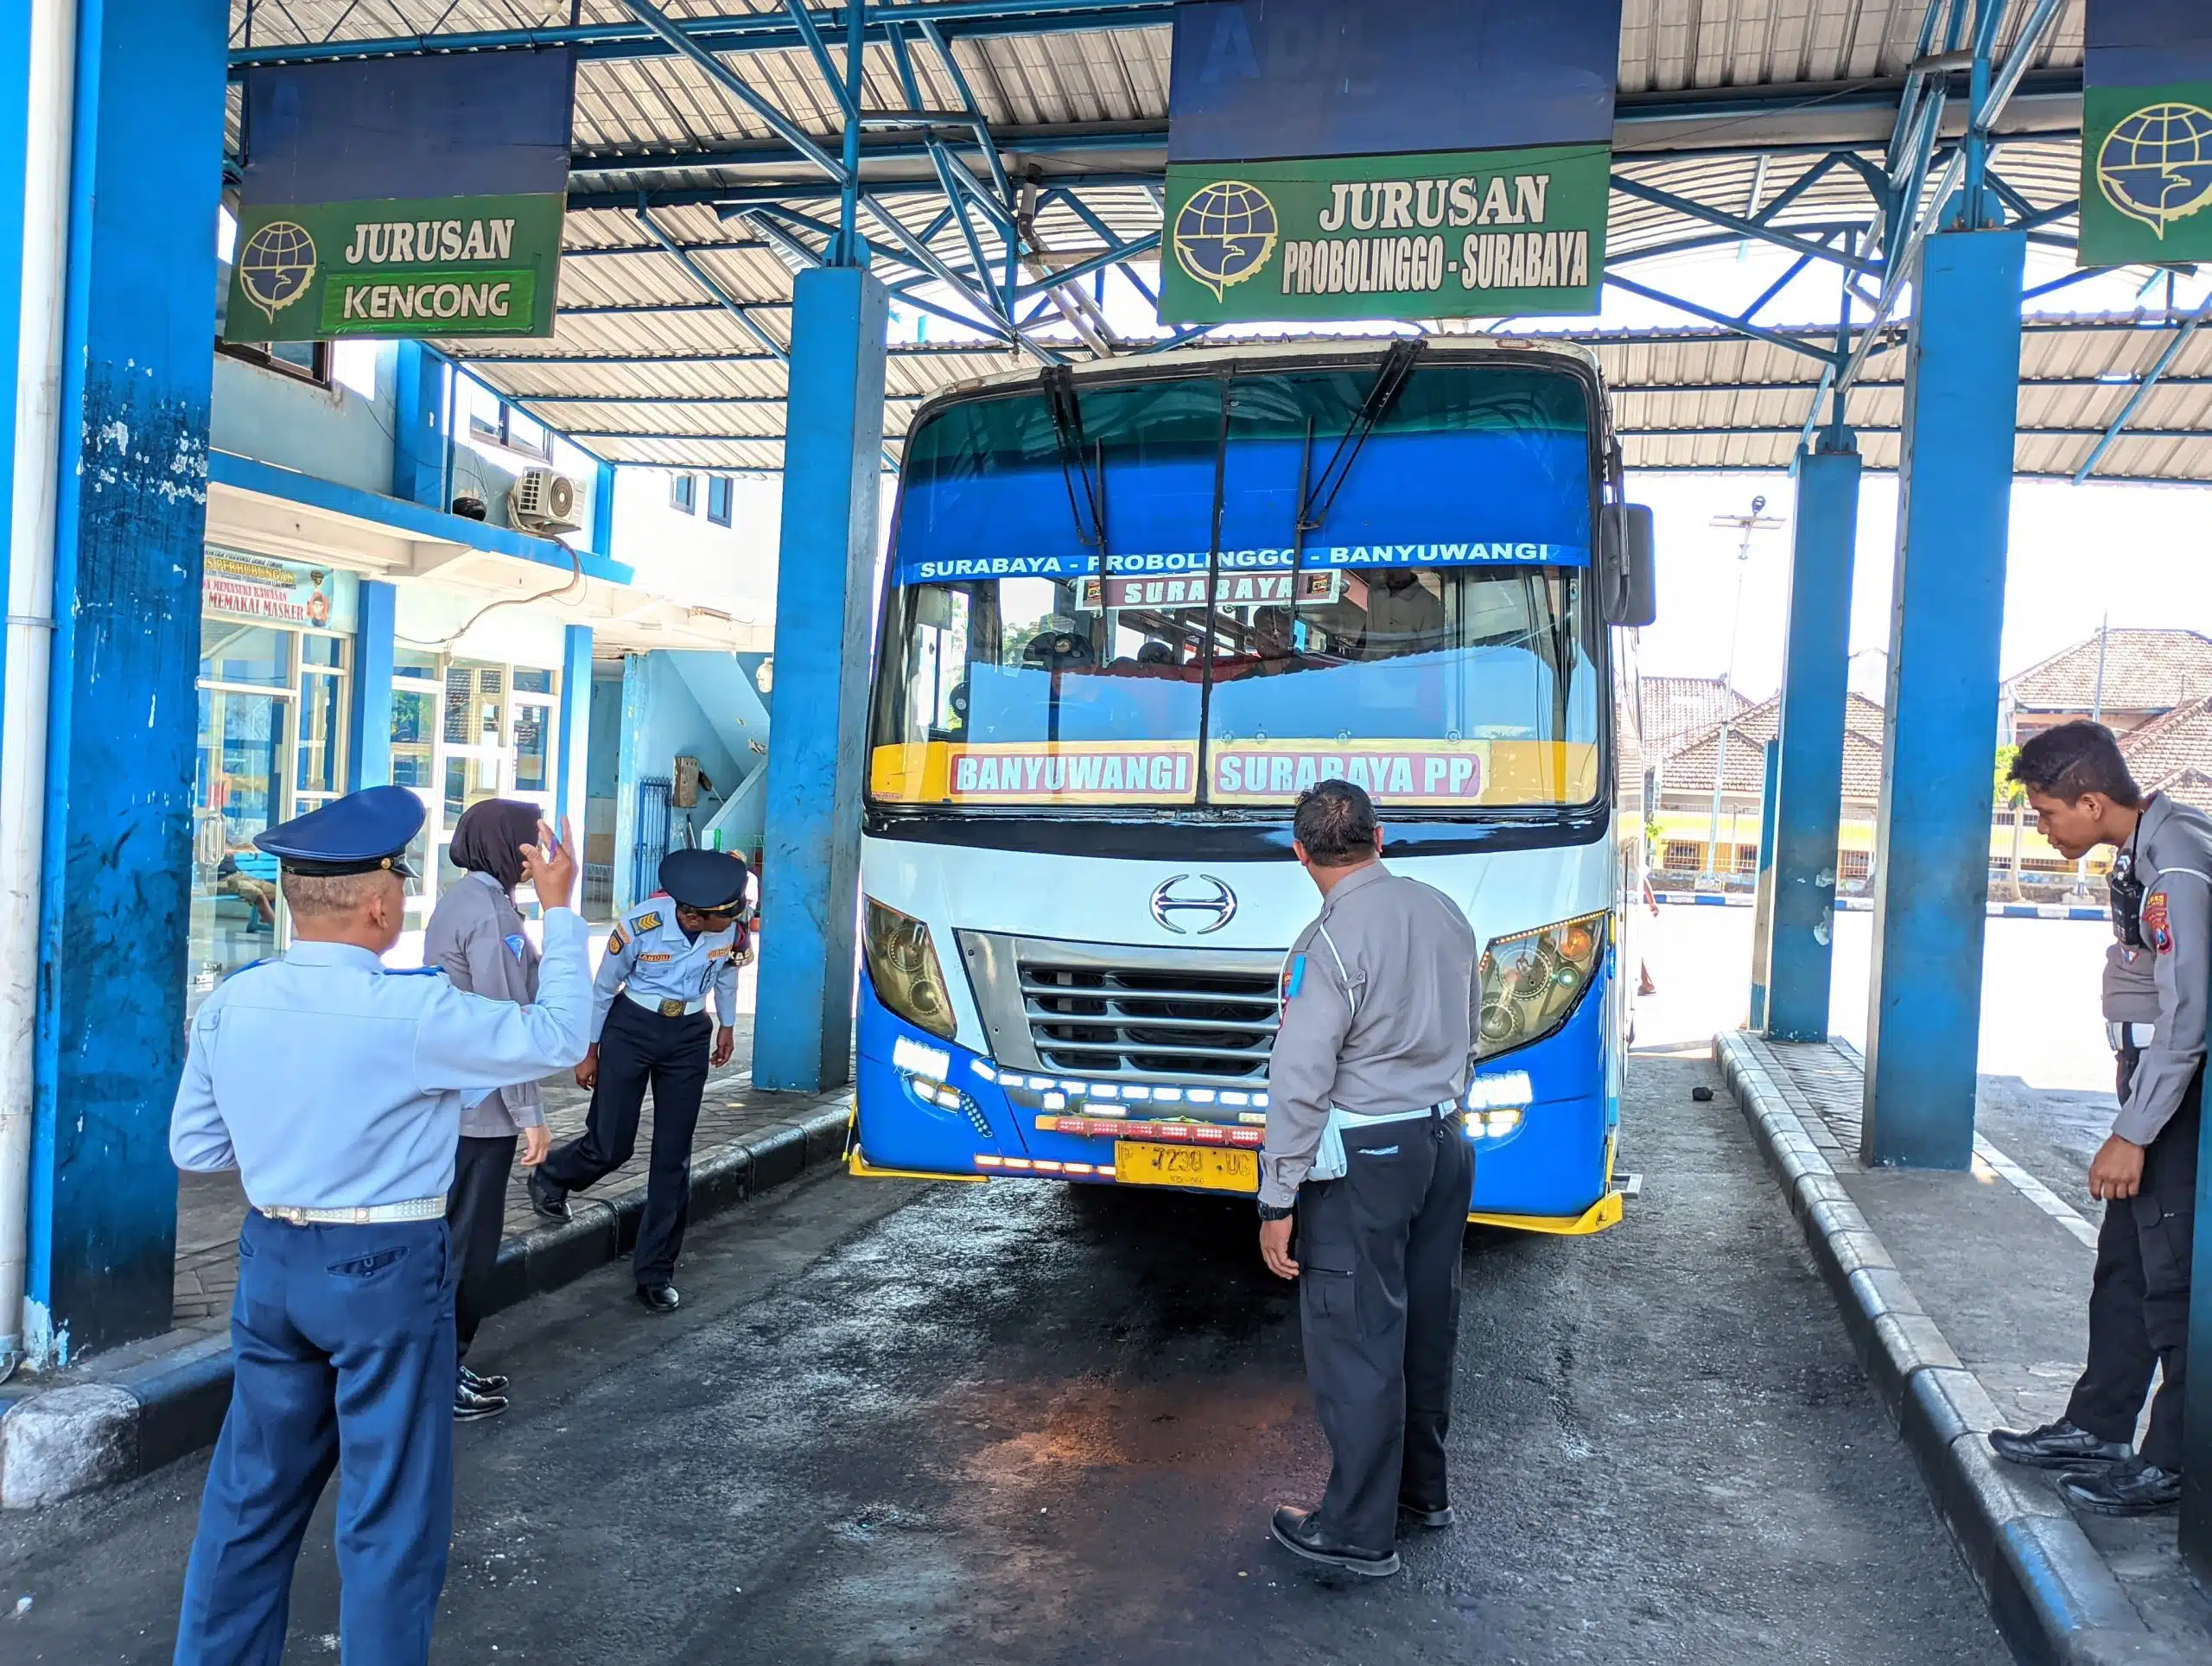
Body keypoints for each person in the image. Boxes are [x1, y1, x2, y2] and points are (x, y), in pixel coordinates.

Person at [169, 787, 590, 1664]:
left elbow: (197, 1146)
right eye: (398, 875)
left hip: (273, 1258)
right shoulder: (415, 1012)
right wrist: (560, 904)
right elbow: (557, 1034)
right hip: (383, 1264)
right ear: (379, 901)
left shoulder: (232, 1003)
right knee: (389, 1512)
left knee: (249, 1501)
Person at [1256, 779, 1478, 1577]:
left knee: (1356, 1337)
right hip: (1443, 1143)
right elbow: (1472, 1022)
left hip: (1365, 1161)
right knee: (1424, 1323)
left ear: (1301, 853)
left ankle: (1355, 1530)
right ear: (1381, 840)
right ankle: (1421, 1494)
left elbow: (1300, 1077)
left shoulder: (1328, 945)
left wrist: (1278, 1196)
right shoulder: (1444, 910)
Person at [1987, 722, 2209, 1516]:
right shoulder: (2143, 850)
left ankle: (2175, 1462)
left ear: (2090, 800)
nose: (2043, 829)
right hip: (2153, 1088)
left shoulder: (2176, 861)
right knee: (2126, 1267)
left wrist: (2135, 1132)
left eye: (2047, 813)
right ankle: (2099, 1427)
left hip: (2180, 1103)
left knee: (2177, 1281)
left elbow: (2191, 1017)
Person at [530, 848, 753, 1313]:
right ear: (692, 915)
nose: (738, 919)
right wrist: (588, 1051)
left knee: (673, 1160)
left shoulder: (727, 927)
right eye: (726, 913)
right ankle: (552, 1174)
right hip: (631, 1030)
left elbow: (727, 973)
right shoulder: (639, 926)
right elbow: (603, 988)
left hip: (690, 1035)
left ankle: (655, 1271)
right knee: (612, 1144)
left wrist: (727, 1024)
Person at [423, 798, 555, 1423]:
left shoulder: (467, 899)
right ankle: (440, 1373)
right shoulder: (491, 911)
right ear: (504, 846)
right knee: (467, 1250)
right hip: (481, 1112)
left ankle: (446, 1364)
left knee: (456, 1243)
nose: (537, 856)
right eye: (530, 843)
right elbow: (506, 1021)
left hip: (462, 1102)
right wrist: (530, 1112)